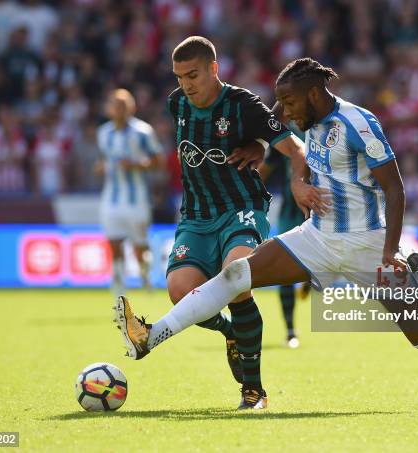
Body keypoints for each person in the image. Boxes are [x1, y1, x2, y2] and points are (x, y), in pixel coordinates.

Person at [114, 37, 314, 410]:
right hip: (196, 215)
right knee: (179, 290)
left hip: (241, 208)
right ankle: (231, 334)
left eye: (193, 75)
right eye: (179, 77)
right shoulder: (177, 104)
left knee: (236, 278)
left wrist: (294, 179)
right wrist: (258, 144)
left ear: (213, 69)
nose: (185, 85)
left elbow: (295, 148)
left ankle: (253, 392)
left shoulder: (243, 104)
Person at [96, 89, 164, 296]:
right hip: (111, 198)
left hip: (137, 199)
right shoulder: (103, 133)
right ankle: (118, 283)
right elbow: (103, 161)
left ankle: (144, 274)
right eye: (115, 104)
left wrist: (136, 165)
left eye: (124, 104)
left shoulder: (143, 132)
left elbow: (158, 161)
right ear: (109, 108)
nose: (119, 109)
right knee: (114, 242)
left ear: (132, 107)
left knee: (139, 245)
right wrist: (99, 168)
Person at [258, 124, 310, 349]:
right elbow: (266, 168)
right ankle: (290, 331)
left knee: (315, 265)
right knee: (284, 268)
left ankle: (310, 277)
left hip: (322, 210)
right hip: (291, 211)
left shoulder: (328, 129)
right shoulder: (285, 137)